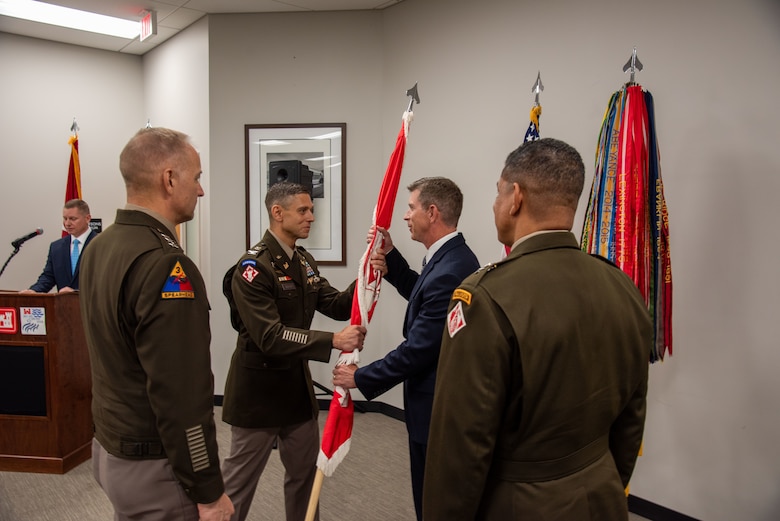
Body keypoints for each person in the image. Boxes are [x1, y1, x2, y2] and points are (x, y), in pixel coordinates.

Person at [423, 138, 652, 520]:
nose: (495, 204)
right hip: (603, 495)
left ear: (516, 197)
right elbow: (632, 420)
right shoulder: (621, 285)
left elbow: (460, 446)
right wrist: (605, 480)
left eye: (498, 193)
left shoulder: (484, 298)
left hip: (519, 506)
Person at [78, 127, 234, 521]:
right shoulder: (167, 265)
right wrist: (208, 488)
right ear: (169, 179)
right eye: (196, 178)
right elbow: (181, 393)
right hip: (156, 468)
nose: (200, 191)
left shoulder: (100, 245)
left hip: (110, 448)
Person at [332, 176, 479, 521]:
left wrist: (362, 377)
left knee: (435, 504)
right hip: (435, 406)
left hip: (438, 411)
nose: (405, 215)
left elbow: (419, 349)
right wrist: (392, 260)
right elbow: (424, 296)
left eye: (411, 207)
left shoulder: (451, 268)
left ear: (431, 212)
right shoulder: (449, 258)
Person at [221, 181, 367, 521]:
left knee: (305, 481)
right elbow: (269, 336)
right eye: (303, 210)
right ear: (277, 212)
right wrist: (333, 341)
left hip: (296, 394)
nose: (311, 217)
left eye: (311, 210)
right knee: (239, 486)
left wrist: (367, 274)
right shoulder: (252, 269)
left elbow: (336, 304)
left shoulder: (303, 260)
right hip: (257, 395)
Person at [20, 198, 96, 293]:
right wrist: (34, 291)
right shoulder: (56, 247)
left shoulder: (101, 244)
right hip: (63, 306)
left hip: (92, 305)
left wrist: (76, 292)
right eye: (65, 218)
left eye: (73, 219)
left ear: (87, 218)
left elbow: (106, 280)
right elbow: (48, 277)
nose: (67, 223)